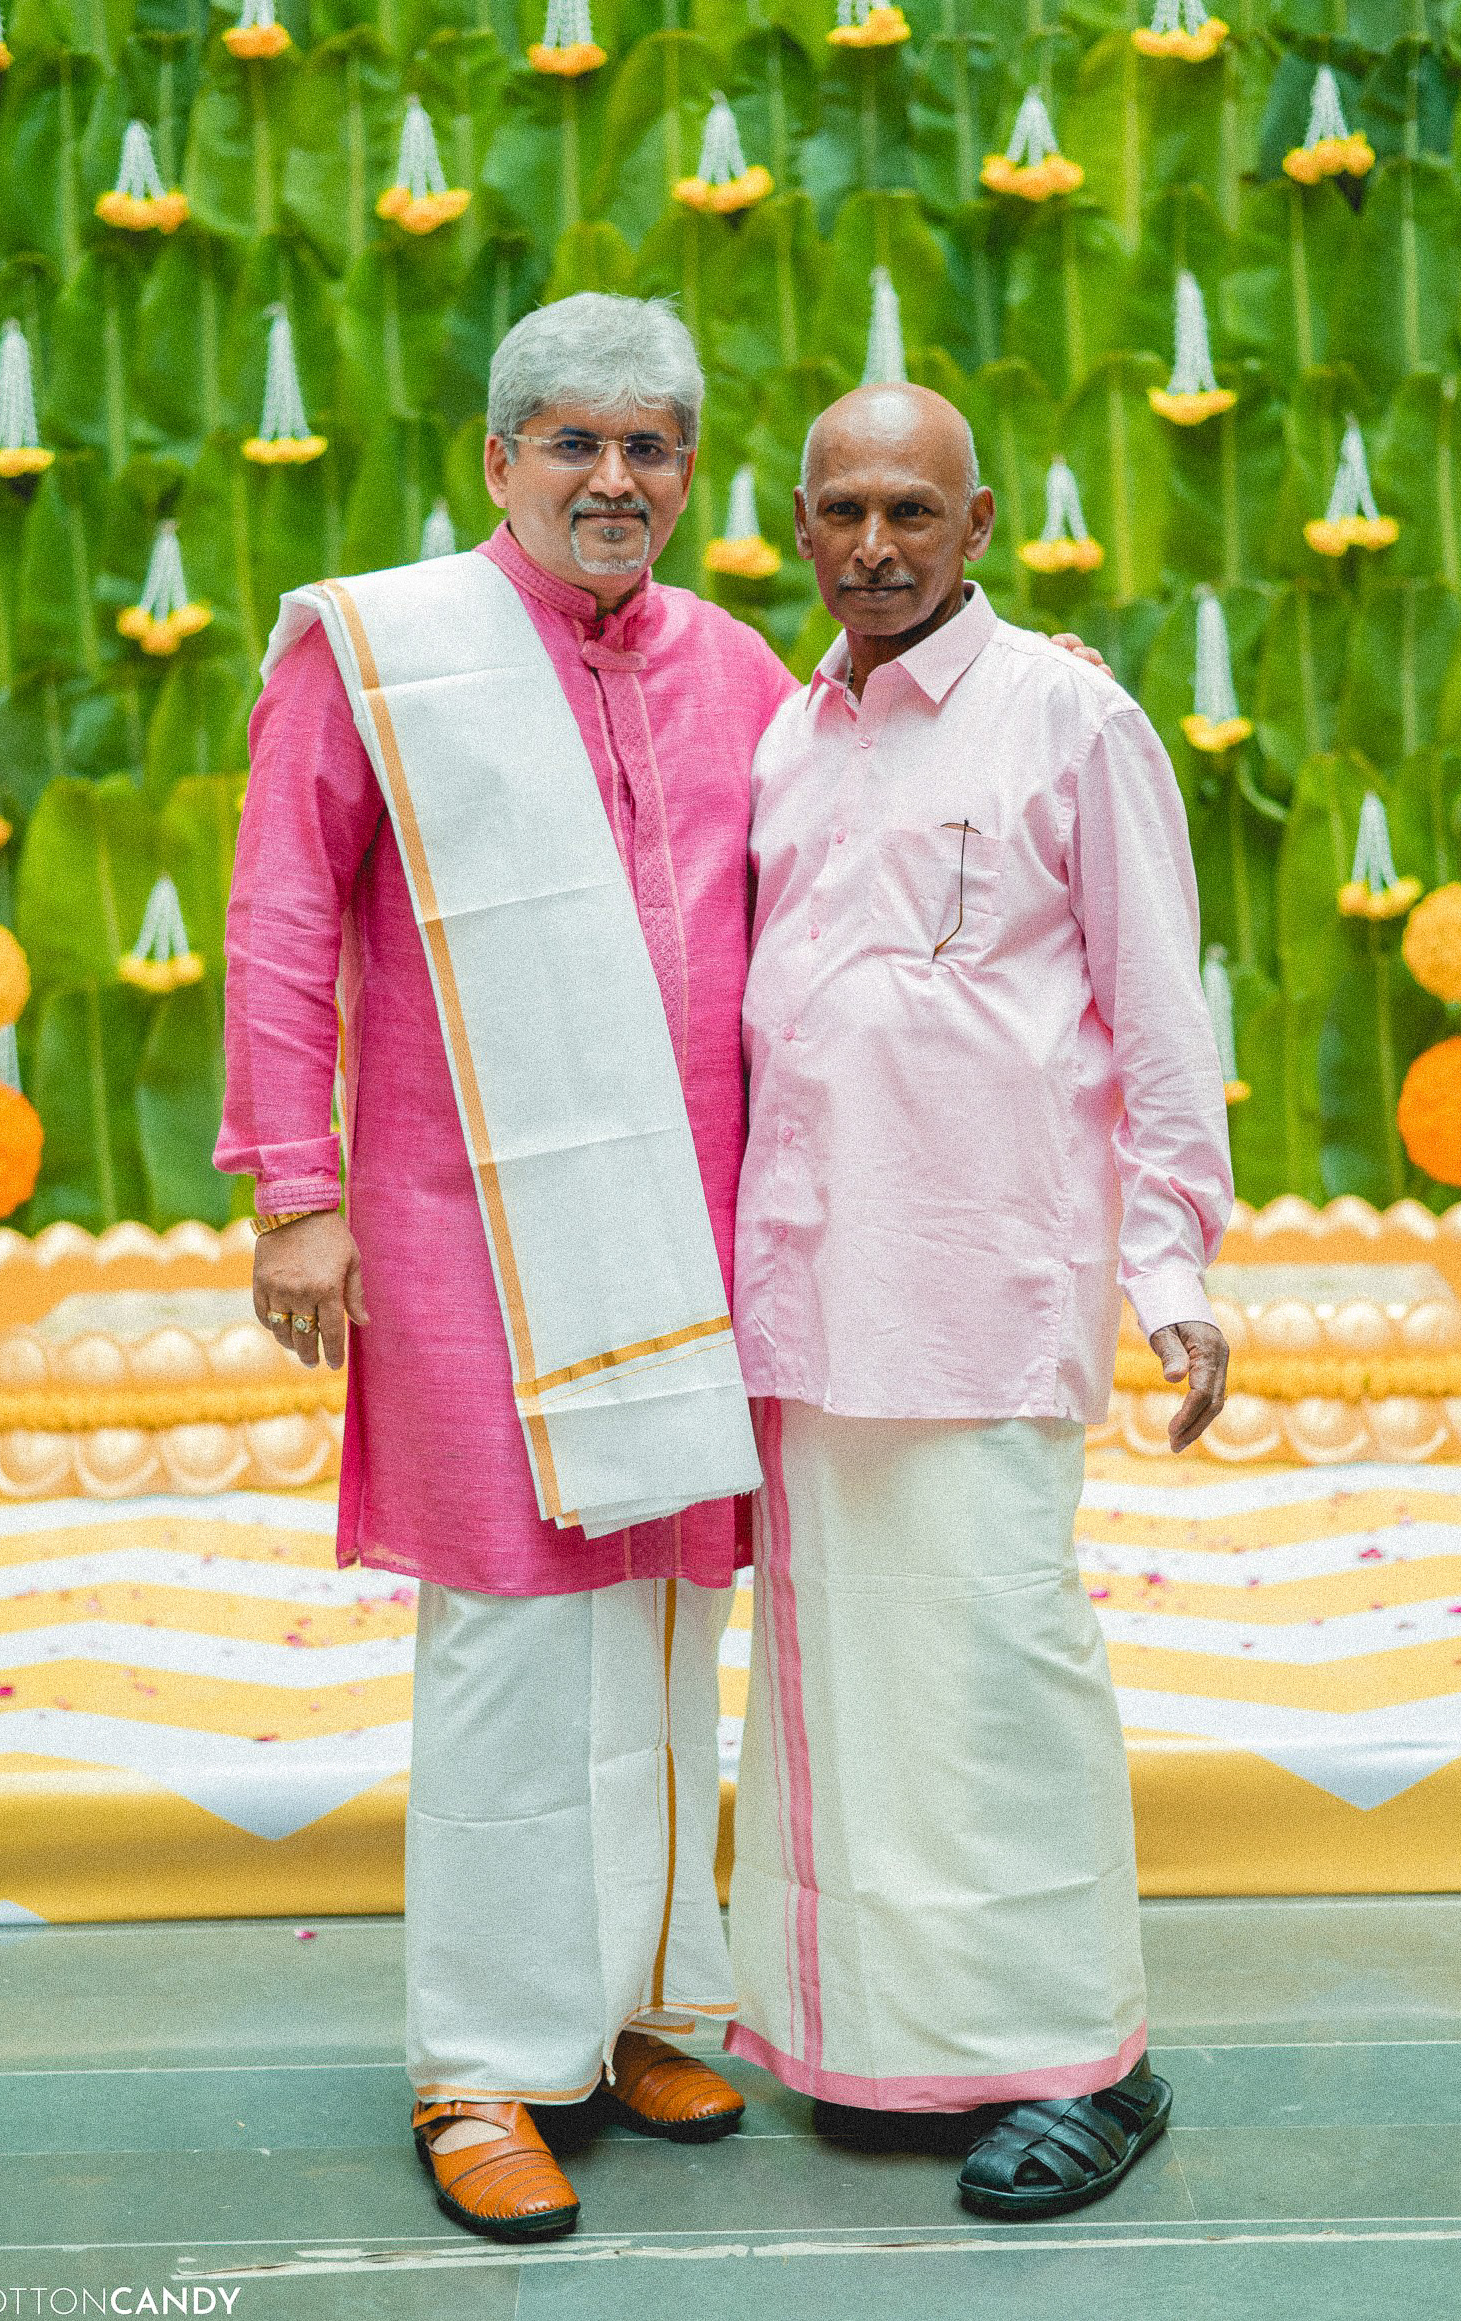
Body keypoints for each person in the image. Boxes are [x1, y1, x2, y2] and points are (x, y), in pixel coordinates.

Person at [215, 294, 799, 2243]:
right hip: (462, 1227)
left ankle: (630, 2009)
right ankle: (479, 2063)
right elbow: (281, 914)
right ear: (499, 459)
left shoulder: (734, 666)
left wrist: (1017, 686)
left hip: (689, 1229)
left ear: (685, 472)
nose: (613, 480)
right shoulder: (386, 651)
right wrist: (293, 1192)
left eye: (649, 448)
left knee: (664, 1620)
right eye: (574, 443)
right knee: (509, 1634)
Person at [724, 382, 1234, 2221]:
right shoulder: (787, 735)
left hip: (985, 1278)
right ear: (800, 523)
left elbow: (1161, 1015)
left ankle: (1089, 2060)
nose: (875, 545)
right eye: (843, 510)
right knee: (850, 1681)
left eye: (911, 511)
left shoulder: (1070, 715)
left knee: (1003, 1666)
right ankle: (898, 2039)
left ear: (980, 524)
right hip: (805, 1296)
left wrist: (1172, 1265)